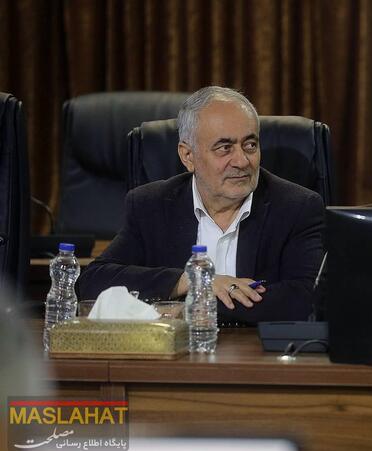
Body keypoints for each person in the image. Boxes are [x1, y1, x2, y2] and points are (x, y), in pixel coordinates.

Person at [79, 86, 324, 324]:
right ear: (188, 156)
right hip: (177, 349)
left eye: (250, 145)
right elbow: (92, 282)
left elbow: (307, 298)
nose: (241, 161)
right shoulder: (151, 205)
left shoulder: (297, 208)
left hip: (257, 349)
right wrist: (190, 280)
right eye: (224, 148)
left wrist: (191, 306)